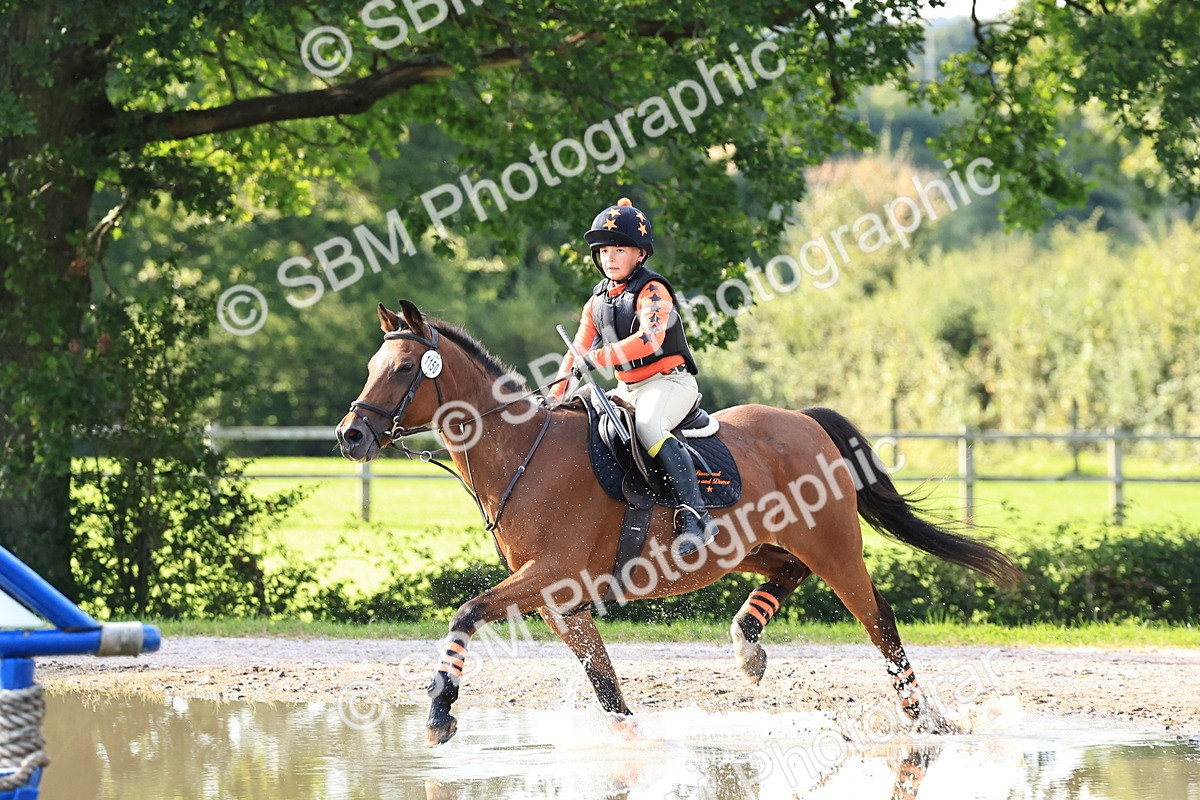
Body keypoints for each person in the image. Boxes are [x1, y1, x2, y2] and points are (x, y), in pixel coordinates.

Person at [550, 197, 716, 556]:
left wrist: (595, 358)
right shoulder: (595, 301)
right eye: (604, 250)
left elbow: (649, 339)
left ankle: (696, 514)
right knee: (578, 420)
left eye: (620, 249)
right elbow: (576, 351)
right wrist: (556, 393)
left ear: (640, 254)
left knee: (649, 427)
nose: (609, 257)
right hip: (628, 388)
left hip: (669, 382)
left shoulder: (653, 290)